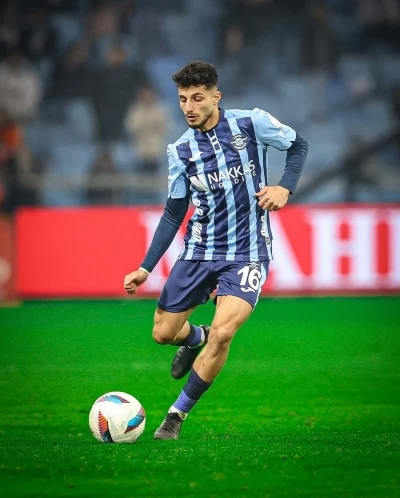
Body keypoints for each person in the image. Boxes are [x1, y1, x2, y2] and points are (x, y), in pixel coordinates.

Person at [123, 61, 308, 439]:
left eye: (197, 98)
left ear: (215, 97)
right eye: (182, 99)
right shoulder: (181, 150)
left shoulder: (251, 124)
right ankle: (195, 337)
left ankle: (175, 416)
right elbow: (173, 213)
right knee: (163, 333)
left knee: (224, 333)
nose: (189, 107)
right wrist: (145, 267)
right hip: (199, 251)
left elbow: (298, 145)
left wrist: (284, 187)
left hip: (248, 252)